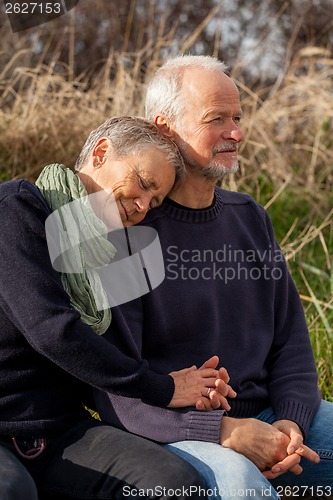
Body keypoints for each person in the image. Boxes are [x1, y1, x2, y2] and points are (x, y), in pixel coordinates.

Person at [94, 58, 333, 499]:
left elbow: (292, 343)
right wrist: (223, 430)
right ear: (164, 128)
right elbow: (116, 393)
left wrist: (291, 422)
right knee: (242, 485)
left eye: (237, 118)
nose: (236, 133)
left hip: (272, 418)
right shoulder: (127, 231)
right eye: (216, 119)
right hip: (180, 435)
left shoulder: (251, 219)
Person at [0, 115, 236, 500]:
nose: (143, 206)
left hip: (61, 431)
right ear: (101, 152)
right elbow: (54, 332)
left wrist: (191, 387)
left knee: (175, 485)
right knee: (12, 490)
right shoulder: (15, 211)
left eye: (155, 200)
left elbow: (110, 361)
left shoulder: (104, 256)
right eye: (143, 184)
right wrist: (162, 388)